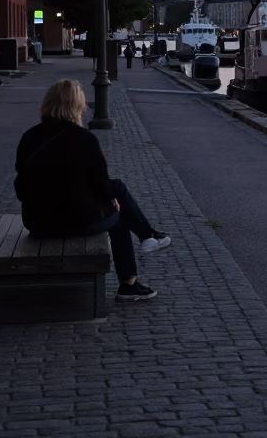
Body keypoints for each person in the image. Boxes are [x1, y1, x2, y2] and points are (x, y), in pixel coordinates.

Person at [14, 79, 171, 302]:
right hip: (72, 222)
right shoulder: (84, 139)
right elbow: (99, 184)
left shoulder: (29, 136)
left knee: (115, 190)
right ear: (77, 106)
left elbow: (22, 184)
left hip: (36, 221)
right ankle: (129, 282)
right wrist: (110, 201)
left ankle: (148, 237)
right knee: (119, 218)